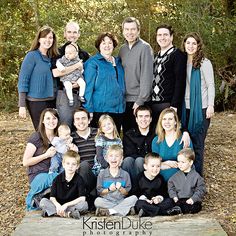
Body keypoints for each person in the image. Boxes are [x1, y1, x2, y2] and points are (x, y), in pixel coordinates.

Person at [181, 32, 215, 176]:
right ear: (184, 44)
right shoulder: (181, 62)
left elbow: (211, 85)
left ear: (198, 46)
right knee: (185, 144)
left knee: (198, 145)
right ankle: (186, 179)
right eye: (188, 43)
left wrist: (211, 105)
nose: (191, 46)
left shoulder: (204, 63)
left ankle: (197, 178)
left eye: (194, 43)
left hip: (201, 109)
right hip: (185, 109)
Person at [83, 32, 125, 133]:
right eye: (103, 43)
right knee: (101, 142)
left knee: (115, 142)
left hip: (119, 109)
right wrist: (89, 109)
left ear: (114, 45)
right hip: (100, 110)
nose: (107, 46)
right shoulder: (93, 62)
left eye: (110, 43)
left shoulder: (118, 62)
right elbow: (88, 88)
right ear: (99, 46)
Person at [18, 26, 59, 130]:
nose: (48, 40)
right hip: (36, 101)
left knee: (53, 131)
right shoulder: (32, 56)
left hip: (52, 100)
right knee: (41, 131)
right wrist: (22, 105)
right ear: (39, 39)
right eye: (45, 37)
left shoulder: (53, 58)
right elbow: (23, 80)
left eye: (50, 38)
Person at [119, 17, 153, 133]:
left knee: (140, 134)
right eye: (127, 29)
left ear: (138, 31)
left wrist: (140, 100)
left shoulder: (145, 47)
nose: (130, 32)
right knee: (128, 135)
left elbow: (147, 75)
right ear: (123, 31)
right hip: (125, 100)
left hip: (139, 100)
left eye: (133, 29)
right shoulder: (122, 49)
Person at [52, 21, 89, 128]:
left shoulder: (84, 54)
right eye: (69, 32)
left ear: (79, 34)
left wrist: (79, 82)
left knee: (81, 127)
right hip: (64, 95)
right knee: (65, 126)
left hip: (81, 94)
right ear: (64, 34)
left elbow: (88, 74)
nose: (72, 35)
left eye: (75, 32)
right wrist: (76, 65)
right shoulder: (58, 52)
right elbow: (55, 73)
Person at [23, 108, 59, 210]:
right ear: (42, 121)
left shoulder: (59, 137)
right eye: (48, 118)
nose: (51, 121)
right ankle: (31, 200)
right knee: (60, 178)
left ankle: (42, 200)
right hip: (38, 176)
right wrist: (46, 155)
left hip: (53, 175)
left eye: (54, 118)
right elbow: (25, 162)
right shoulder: (36, 137)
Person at [151, 24, 187, 127]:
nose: (162, 38)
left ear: (171, 37)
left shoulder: (177, 55)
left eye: (165, 35)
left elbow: (180, 81)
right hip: (154, 104)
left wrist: (174, 105)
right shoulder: (156, 56)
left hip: (168, 104)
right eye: (159, 35)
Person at [40, 150, 88, 218]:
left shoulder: (79, 179)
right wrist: (58, 205)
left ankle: (53, 212)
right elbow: (52, 197)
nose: (70, 166)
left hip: (71, 205)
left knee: (84, 205)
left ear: (77, 166)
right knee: (43, 201)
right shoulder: (57, 179)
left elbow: (82, 198)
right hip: (59, 205)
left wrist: (66, 205)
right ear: (63, 164)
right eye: (68, 163)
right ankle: (68, 214)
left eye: (73, 164)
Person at [94, 145, 138, 216]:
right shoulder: (102, 174)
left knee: (134, 198)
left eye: (117, 156)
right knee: (97, 201)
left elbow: (126, 193)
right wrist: (109, 189)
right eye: (111, 156)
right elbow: (100, 193)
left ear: (121, 159)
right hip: (107, 200)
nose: (113, 158)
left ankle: (111, 211)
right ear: (106, 158)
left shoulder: (125, 174)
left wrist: (120, 188)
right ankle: (124, 210)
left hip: (121, 200)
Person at [152, 108, 192, 182]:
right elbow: (154, 162)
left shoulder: (183, 138)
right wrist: (165, 163)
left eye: (170, 119)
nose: (167, 122)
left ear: (175, 122)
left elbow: (190, 159)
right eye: (164, 119)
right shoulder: (156, 140)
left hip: (181, 171)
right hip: (161, 170)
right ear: (161, 122)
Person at [122, 105, 155, 187]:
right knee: (127, 160)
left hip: (151, 165)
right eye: (140, 116)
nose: (143, 119)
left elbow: (175, 127)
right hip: (133, 165)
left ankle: (140, 188)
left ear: (150, 119)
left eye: (146, 116)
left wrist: (185, 132)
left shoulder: (156, 133)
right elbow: (129, 154)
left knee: (140, 160)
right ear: (136, 119)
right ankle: (127, 187)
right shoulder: (129, 134)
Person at [167, 148, 206, 215]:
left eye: (183, 162)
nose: (180, 164)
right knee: (168, 202)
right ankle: (176, 209)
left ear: (190, 162)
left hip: (190, 200)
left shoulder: (197, 177)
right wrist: (174, 196)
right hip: (179, 199)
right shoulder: (175, 177)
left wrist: (193, 199)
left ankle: (178, 210)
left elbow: (200, 189)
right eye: (178, 162)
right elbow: (171, 187)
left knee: (196, 206)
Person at [71, 107, 97, 205]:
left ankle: (91, 197)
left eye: (83, 118)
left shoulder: (98, 133)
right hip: (81, 176)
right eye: (77, 119)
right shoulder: (70, 138)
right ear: (73, 123)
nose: (81, 121)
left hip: (99, 174)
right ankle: (88, 197)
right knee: (84, 165)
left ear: (89, 120)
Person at [135, 153, 174, 217]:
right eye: (152, 166)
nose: (155, 169)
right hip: (145, 201)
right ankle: (162, 212)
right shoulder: (139, 177)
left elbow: (164, 193)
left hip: (156, 203)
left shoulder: (160, 178)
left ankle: (147, 211)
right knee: (139, 203)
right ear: (145, 166)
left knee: (169, 201)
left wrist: (158, 198)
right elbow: (136, 193)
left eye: (158, 166)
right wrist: (145, 199)